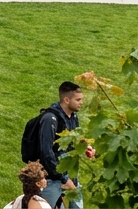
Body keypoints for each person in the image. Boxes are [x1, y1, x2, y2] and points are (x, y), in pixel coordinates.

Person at [31, 81, 91, 209]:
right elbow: (46, 153)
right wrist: (64, 179)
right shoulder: (49, 119)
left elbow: (73, 141)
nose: (81, 102)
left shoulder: (73, 116)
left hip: (70, 175)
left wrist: (85, 147)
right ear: (66, 100)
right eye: (78, 99)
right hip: (51, 179)